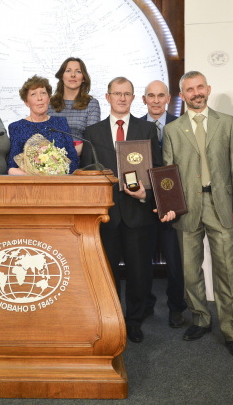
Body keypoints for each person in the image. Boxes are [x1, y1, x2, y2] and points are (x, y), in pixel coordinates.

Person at [160, 71, 233, 360]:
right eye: (189, 89)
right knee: (189, 270)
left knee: (226, 271)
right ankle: (200, 318)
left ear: (208, 89)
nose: (196, 93)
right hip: (186, 210)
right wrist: (168, 205)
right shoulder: (173, 129)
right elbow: (167, 175)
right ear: (182, 95)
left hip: (221, 205)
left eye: (200, 87)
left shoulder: (227, 123)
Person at [80, 77, 161, 343]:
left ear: (134, 98)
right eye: (117, 93)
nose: (122, 98)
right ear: (108, 97)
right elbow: (87, 174)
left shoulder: (147, 129)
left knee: (139, 272)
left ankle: (134, 321)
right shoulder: (93, 132)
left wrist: (146, 194)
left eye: (127, 93)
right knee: (107, 272)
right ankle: (111, 320)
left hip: (138, 213)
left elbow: (156, 171)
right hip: (106, 215)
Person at [140, 80, 188, 329]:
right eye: (151, 96)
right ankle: (145, 305)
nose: (156, 100)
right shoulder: (135, 127)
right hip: (143, 204)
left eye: (161, 96)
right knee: (142, 258)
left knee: (175, 259)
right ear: (144, 99)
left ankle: (176, 307)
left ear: (169, 98)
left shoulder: (181, 125)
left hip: (172, 203)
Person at [7, 75, 80, 175]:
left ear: (49, 98)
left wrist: (58, 172)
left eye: (43, 93)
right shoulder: (16, 127)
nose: (39, 98)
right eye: (33, 94)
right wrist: (39, 175)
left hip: (61, 183)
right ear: (26, 102)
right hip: (31, 187)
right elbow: (12, 167)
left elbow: (73, 160)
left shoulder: (61, 123)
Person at [47, 57, 100, 155]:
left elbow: (92, 140)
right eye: (68, 71)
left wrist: (62, 156)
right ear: (62, 76)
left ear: (83, 78)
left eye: (78, 72)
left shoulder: (92, 104)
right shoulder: (49, 103)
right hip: (50, 161)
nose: (73, 75)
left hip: (81, 161)